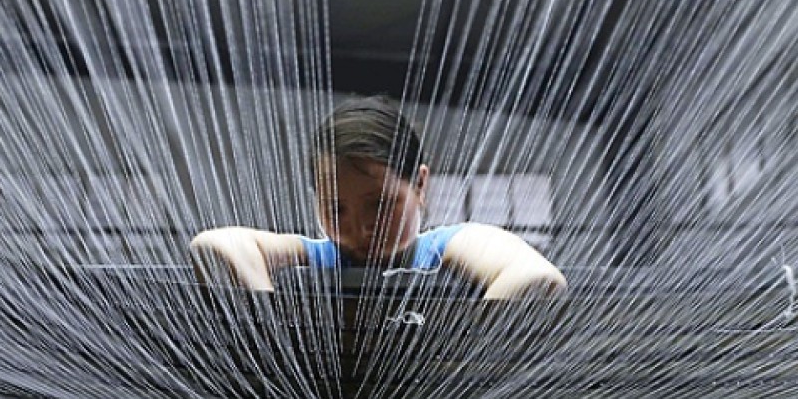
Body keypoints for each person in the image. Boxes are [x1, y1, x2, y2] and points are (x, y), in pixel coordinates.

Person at [190, 96, 567, 300]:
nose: (361, 227)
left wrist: (456, 358)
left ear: (420, 185)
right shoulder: (321, 254)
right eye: (336, 208)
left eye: (382, 204)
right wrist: (268, 330)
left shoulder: (446, 246)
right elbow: (215, 245)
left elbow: (537, 278)